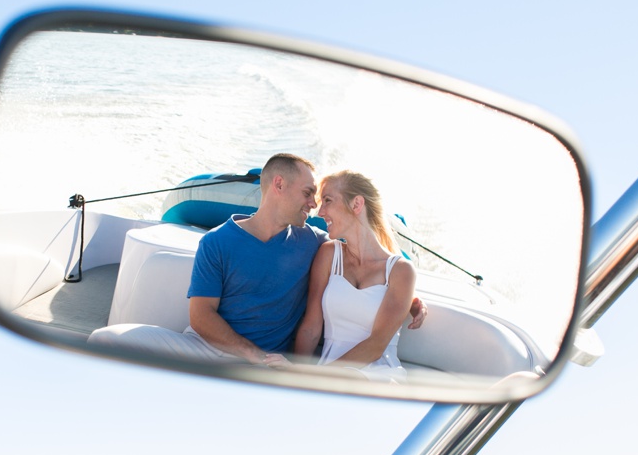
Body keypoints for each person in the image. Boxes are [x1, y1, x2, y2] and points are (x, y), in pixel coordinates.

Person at [88, 155, 425, 364]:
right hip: (204, 348)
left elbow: (366, 266)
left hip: (266, 365)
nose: (314, 206)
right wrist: (253, 354)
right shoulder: (217, 241)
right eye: (309, 193)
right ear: (279, 184)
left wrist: (409, 300)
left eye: (321, 199)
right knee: (103, 340)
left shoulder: (314, 243)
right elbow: (201, 316)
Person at [276, 170, 416, 382]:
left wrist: (317, 377)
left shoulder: (401, 271)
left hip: (379, 378)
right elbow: (311, 328)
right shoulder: (328, 255)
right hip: (329, 377)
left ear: (357, 204)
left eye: (328, 201)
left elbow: (376, 345)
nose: (320, 212)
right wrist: (298, 376)